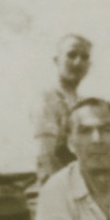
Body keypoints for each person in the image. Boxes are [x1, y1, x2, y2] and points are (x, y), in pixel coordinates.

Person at [34, 34, 92, 182]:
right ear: (57, 60)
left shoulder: (82, 103)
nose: (78, 62)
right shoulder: (48, 99)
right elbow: (45, 157)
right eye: (71, 55)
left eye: (84, 57)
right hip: (59, 186)